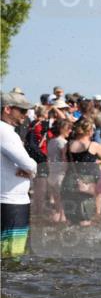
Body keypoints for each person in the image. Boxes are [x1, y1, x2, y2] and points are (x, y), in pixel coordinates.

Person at [1, 91, 37, 259]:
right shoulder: (5, 132)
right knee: (11, 256)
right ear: (7, 109)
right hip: (12, 201)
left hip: (8, 199)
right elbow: (29, 165)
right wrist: (32, 169)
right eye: (22, 110)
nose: (26, 114)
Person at [61, 118, 101, 226]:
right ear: (90, 131)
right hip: (86, 183)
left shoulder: (67, 145)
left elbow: (65, 163)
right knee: (85, 219)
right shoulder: (93, 145)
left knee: (71, 220)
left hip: (68, 181)